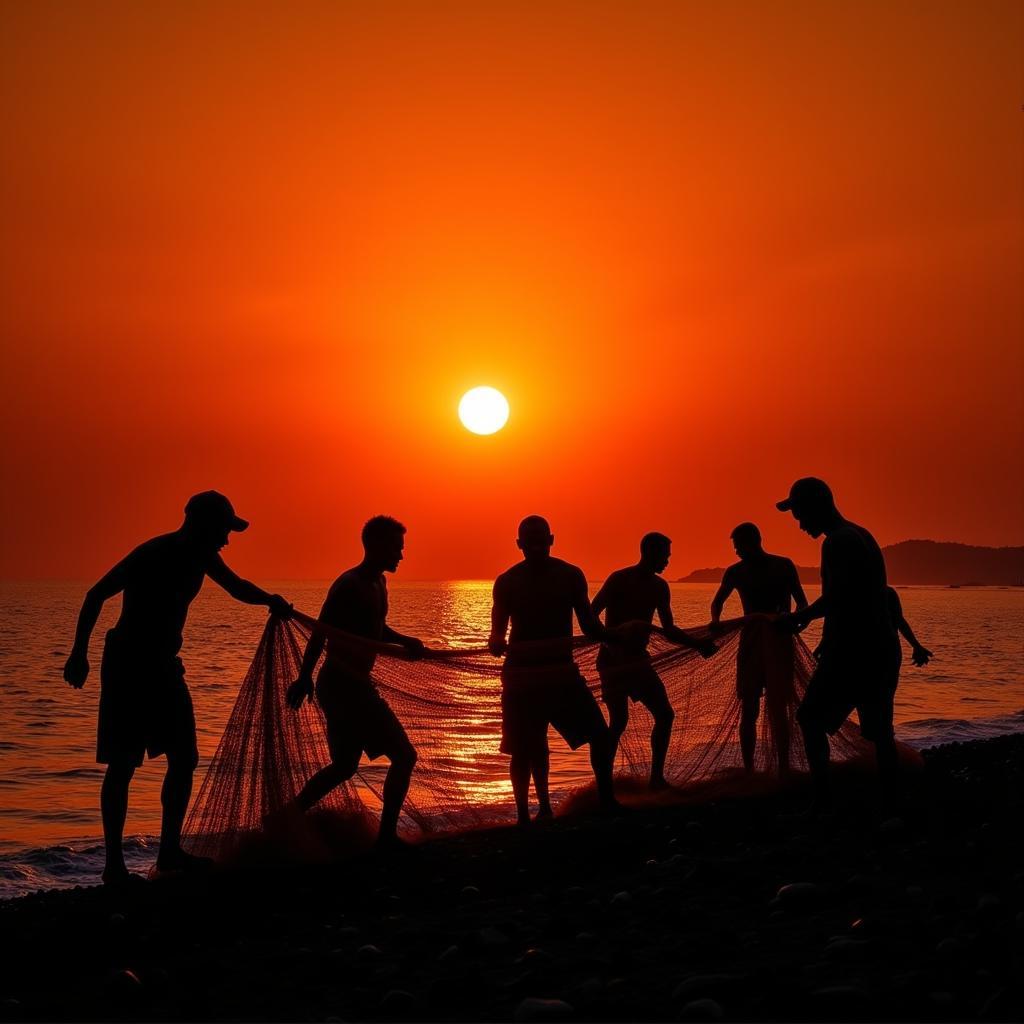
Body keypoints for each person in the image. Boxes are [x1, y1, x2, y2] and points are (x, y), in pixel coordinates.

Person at [62, 491, 292, 886]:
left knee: (184, 756)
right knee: (123, 764)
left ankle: (169, 851)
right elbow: (95, 594)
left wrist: (271, 600)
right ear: (203, 524)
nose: (226, 539)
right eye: (224, 529)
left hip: (165, 666)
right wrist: (78, 653)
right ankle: (114, 867)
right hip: (128, 665)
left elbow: (237, 588)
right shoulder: (153, 552)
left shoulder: (202, 556)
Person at [286, 516, 424, 850]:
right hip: (342, 686)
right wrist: (304, 677)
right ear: (376, 546)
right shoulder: (349, 584)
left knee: (345, 766)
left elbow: (375, 628)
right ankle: (386, 838)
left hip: (354, 685)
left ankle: (286, 817)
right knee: (404, 756)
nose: (401, 556)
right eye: (396, 548)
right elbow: (321, 632)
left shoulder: (380, 583)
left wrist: (405, 640)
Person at [775, 478, 902, 812]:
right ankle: (894, 801)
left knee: (811, 719)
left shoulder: (837, 542)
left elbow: (838, 596)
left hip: (855, 652)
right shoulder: (862, 534)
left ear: (818, 505)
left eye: (800, 513)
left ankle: (823, 801)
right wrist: (827, 638)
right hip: (880, 647)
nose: (799, 523)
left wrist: (801, 616)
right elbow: (860, 598)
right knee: (879, 732)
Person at [489, 515, 618, 826]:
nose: (535, 545)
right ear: (519, 544)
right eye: (529, 540)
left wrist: (620, 634)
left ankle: (606, 800)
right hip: (522, 678)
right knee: (525, 748)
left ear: (551, 540)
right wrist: (495, 641)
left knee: (600, 735)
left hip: (562, 673)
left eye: (540, 539)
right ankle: (527, 814)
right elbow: (497, 634)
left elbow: (589, 624)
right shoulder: (507, 581)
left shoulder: (571, 576)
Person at [591, 532, 716, 790]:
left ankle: (656, 778)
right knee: (619, 721)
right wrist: (613, 636)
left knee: (665, 714)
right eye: (665, 555)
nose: (667, 561)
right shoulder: (619, 579)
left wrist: (698, 644)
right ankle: (605, 785)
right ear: (649, 553)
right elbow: (591, 615)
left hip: (638, 660)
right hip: (612, 661)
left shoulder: (660, 587)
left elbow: (668, 628)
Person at [710, 523, 808, 774]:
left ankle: (780, 766)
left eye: (739, 546)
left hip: (776, 641)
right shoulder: (738, 571)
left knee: (777, 707)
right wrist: (716, 624)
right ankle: (751, 768)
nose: (736, 551)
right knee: (752, 706)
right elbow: (716, 604)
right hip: (757, 640)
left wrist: (794, 624)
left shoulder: (781, 566)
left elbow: (802, 605)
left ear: (753, 542)